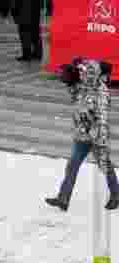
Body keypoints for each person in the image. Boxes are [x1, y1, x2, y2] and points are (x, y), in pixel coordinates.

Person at [46, 60, 119, 212]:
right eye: (84, 73)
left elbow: (101, 117)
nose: (84, 75)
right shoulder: (83, 87)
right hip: (81, 136)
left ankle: (116, 195)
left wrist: (93, 130)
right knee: (72, 166)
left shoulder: (101, 92)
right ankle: (63, 199)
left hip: (97, 137)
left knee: (106, 167)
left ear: (96, 75)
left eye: (88, 73)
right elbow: (74, 95)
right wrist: (69, 80)